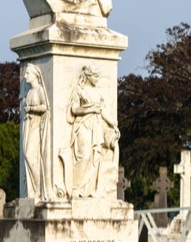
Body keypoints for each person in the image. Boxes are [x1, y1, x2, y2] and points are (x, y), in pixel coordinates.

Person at [59, 65, 119, 198]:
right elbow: (74, 110)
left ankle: (89, 190)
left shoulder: (98, 93)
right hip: (83, 125)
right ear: (87, 76)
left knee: (95, 157)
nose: (97, 79)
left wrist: (113, 123)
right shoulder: (79, 90)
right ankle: (76, 188)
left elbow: (102, 110)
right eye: (95, 76)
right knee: (84, 155)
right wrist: (90, 109)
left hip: (96, 127)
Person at [21, 64, 50, 200]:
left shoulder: (39, 90)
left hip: (36, 125)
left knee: (30, 156)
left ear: (35, 75)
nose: (25, 76)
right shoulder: (30, 92)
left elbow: (45, 107)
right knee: (27, 156)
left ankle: (38, 188)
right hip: (28, 124)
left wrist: (31, 108)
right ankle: (31, 191)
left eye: (27, 73)